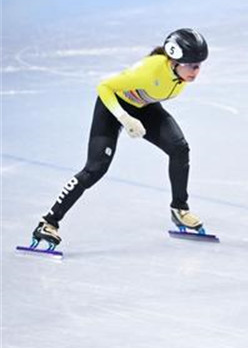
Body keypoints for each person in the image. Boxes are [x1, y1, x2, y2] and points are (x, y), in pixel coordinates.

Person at [31, 29, 210, 250]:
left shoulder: (179, 76)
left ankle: (179, 210)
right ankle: (48, 221)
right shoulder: (150, 69)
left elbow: (147, 97)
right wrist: (124, 117)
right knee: (95, 169)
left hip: (142, 105)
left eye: (199, 65)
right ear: (175, 60)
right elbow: (104, 86)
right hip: (111, 106)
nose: (196, 71)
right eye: (192, 65)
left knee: (179, 148)